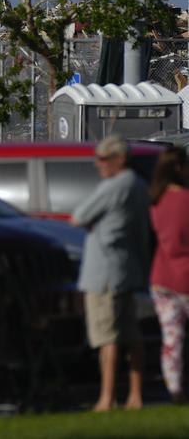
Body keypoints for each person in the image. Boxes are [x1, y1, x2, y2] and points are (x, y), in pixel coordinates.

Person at [71, 134, 151, 411]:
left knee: (108, 337)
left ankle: (107, 397)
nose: (98, 164)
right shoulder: (139, 185)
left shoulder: (114, 186)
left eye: (104, 159)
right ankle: (135, 395)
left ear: (121, 159)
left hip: (104, 271)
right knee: (131, 333)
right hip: (128, 267)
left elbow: (78, 215)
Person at [148, 146, 189, 403]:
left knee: (172, 339)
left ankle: (174, 389)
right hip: (185, 276)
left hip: (161, 277)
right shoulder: (185, 200)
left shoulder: (156, 201)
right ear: (179, 168)